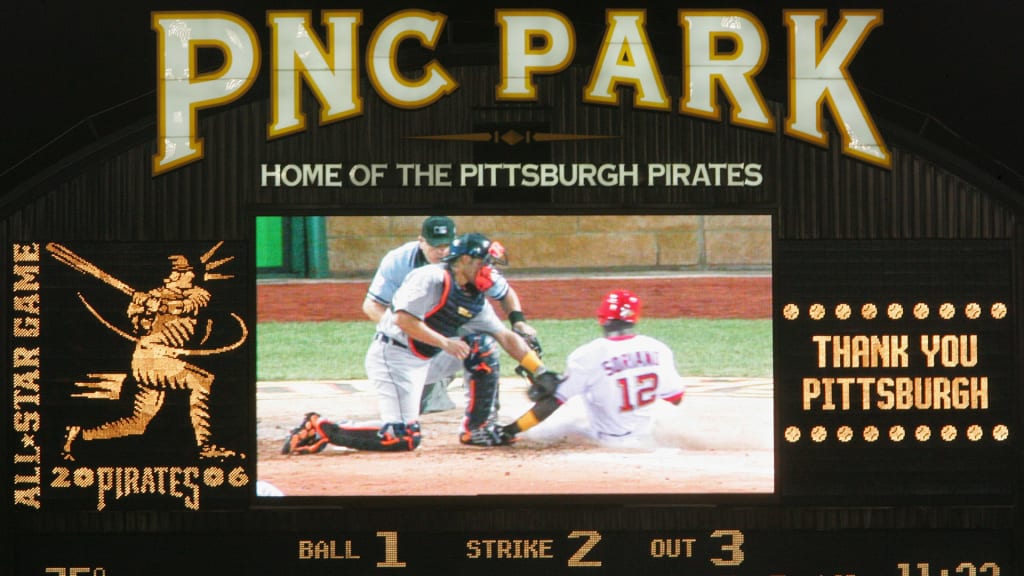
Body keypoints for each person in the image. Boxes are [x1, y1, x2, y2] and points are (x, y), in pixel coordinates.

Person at [284, 232, 560, 453]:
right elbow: (403, 319)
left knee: (483, 346)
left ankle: (479, 429)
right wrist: (445, 343)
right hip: (395, 359)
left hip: (429, 357)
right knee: (402, 438)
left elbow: (506, 336)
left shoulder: (474, 296)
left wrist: (541, 371)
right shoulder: (429, 278)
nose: (490, 270)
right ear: (465, 260)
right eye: (485, 263)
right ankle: (321, 428)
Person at [62, 254, 237, 460]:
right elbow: (138, 326)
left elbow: (186, 307)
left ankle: (79, 435)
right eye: (186, 272)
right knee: (200, 380)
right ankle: (205, 447)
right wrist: (143, 310)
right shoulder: (153, 294)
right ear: (178, 274)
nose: (191, 275)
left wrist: (161, 306)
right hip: (150, 358)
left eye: (190, 272)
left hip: (163, 361)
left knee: (138, 424)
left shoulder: (199, 294)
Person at [361, 216, 539, 413]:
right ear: (421, 241)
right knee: (406, 426)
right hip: (403, 346)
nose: (442, 251)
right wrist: (403, 330)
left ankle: (482, 419)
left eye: (447, 245)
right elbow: (373, 306)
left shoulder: (474, 277)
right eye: (435, 245)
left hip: (441, 332)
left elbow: (505, 301)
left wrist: (539, 368)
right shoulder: (410, 266)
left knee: (484, 344)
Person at [498, 289, 685, 446]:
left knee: (559, 420)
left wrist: (512, 430)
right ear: (634, 318)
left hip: (606, 441)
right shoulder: (658, 348)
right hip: (645, 437)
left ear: (602, 318)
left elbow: (552, 404)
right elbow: (675, 398)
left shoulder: (588, 354)